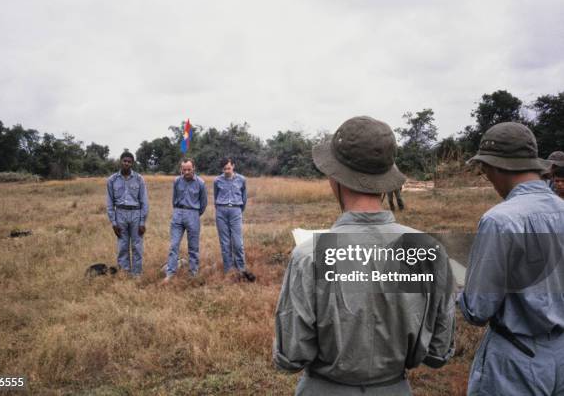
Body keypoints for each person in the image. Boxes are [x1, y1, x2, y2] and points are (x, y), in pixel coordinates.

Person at [273, 116, 456, 395]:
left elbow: (291, 356)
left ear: (334, 178)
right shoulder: (429, 251)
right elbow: (439, 352)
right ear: (385, 180)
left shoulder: (309, 255)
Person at [459, 122, 564, 395]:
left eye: (485, 171)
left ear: (496, 167)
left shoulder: (500, 220)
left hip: (517, 358)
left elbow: (477, 310)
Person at [163, 158, 207, 281]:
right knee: (174, 245)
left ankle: (193, 274)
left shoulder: (201, 183)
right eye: (184, 169)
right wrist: (178, 211)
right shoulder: (177, 181)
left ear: (194, 168)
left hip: (193, 214)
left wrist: (194, 213)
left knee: (193, 247)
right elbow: (174, 198)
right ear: (181, 169)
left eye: (189, 169)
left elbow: (203, 203)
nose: (186, 172)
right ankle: (170, 274)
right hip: (178, 213)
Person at [106, 151, 149, 276]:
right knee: (122, 245)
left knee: (137, 246)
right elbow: (109, 203)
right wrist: (114, 223)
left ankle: (137, 274)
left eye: (129, 162)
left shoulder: (139, 179)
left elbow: (144, 201)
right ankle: (124, 273)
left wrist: (142, 222)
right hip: (120, 214)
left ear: (132, 164)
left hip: (135, 214)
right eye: (124, 161)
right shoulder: (112, 180)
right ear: (121, 162)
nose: (126, 163)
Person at [213, 157, 255, 281]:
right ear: (222, 169)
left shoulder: (241, 180)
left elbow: (244, 197)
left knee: (238, 243)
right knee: (225, 243)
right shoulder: (217, 181)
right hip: (221, 211)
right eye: (225, 168)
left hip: (236, 210)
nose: (227, 171)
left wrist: (238, 210)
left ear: (233, 166)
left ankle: (241, 269)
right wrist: (220, 208)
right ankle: (229, 270)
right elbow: (216, 196)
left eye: (229, 168)